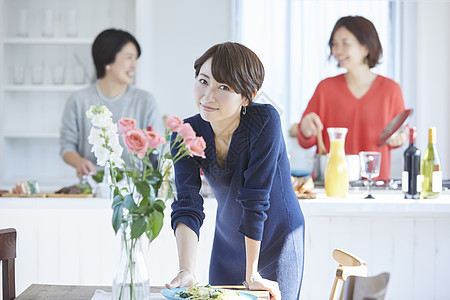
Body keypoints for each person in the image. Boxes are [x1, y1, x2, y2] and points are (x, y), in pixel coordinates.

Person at [165, 42, 305, 299]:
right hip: (227, 242)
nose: (208, 96)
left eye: (224, 87)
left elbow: (256, 198)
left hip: (277, 240)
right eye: (204, 81)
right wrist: (186, 269)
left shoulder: (265, 121)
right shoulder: (185, 133)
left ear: (247, 96)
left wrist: (252, 273)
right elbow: (187, 203)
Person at [297, 16, 407, 181]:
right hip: (330, 185)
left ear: (366, 47)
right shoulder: (325, 88)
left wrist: (399, 137)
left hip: (374, 187)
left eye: (345, 43)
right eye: (334, 44)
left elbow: (399, 134)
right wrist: (305, 128)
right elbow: (306, 139)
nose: (336, 50)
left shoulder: (391, 90)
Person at [60, 28, 163, 179]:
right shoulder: (79, 100)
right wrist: (79, 162)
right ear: (108, 59)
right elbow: (67, 146)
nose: (134, 66)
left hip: (136, 189)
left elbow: (158, 150)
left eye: (136, 59)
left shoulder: (146, 101)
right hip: (93, 184)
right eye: (129, 57)